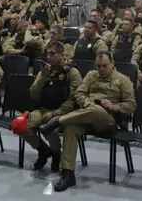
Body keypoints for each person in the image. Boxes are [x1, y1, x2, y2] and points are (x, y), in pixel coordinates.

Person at [51, 50, 136, 192]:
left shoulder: (123, 80)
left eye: (104, 66)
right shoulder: (91, 76)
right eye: (98, 66)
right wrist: (87, 104)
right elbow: (79, 93)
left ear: (112, 64)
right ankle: (68, 174)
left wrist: (114, 106)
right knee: (71, 129)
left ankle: (58, 120)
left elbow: (131, 105)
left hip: (107, 121)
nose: (101, 69)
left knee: (97, 110)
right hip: (86, 116)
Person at [21, 41, 82, 171]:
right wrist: (43, 77)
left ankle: (56, 154)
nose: (49, 57)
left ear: (62, 55)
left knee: (47, 127)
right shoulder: (45, 70)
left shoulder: (72, 72)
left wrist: (55, 113)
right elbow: (33, 93)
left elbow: (74, 100)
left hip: (63, 113)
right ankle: (43, 150)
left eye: (53, 54)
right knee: (20, 126)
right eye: (47, 54)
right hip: (43, 110)